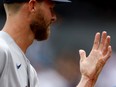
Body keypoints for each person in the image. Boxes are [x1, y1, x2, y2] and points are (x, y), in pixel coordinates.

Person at [0, 0, 112, 87]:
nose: (54, 17)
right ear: (32, 6)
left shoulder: (28, 70)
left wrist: (87, 79)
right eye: (51, 8)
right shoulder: (1, 49)